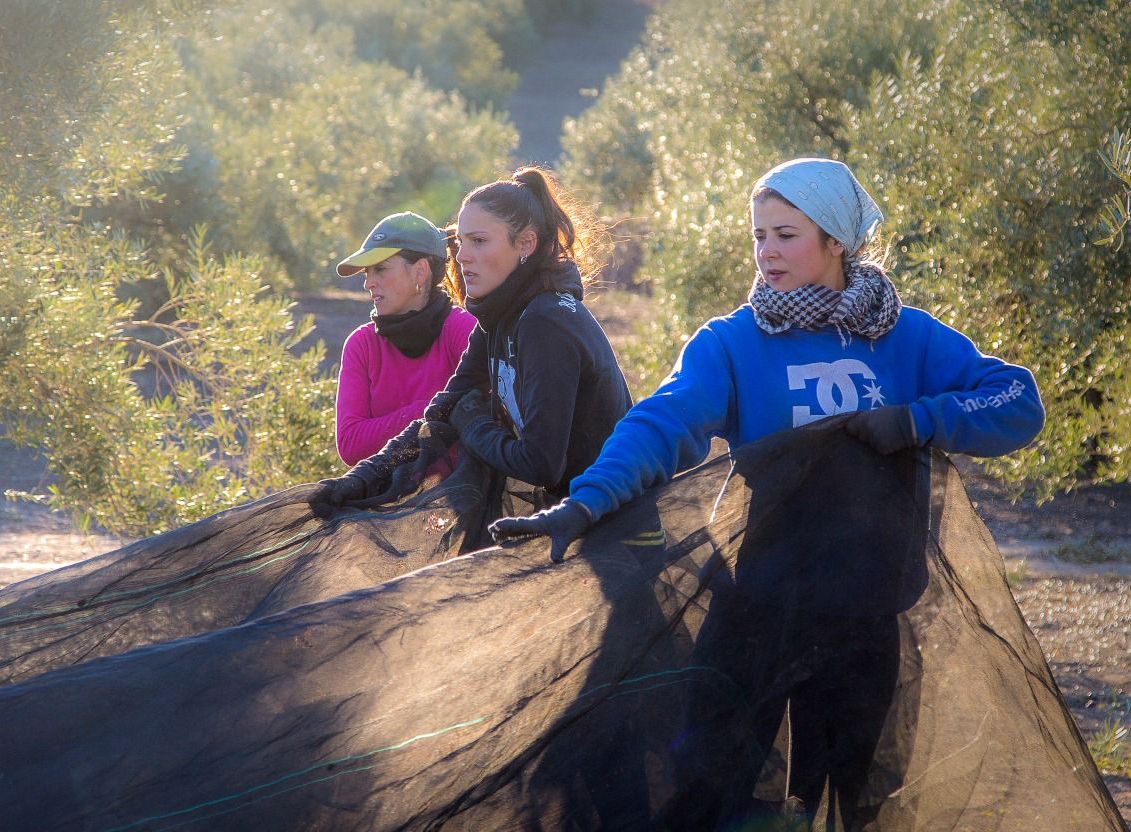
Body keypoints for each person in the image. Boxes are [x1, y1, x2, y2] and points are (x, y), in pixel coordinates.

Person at [490, 157, 1046, 826]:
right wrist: (585, 503)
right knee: (709, 791)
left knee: (852, 808)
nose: (768, 253)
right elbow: (660, 424)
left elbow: (1017, 401)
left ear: (835, 240)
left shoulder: (905, 336)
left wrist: (916, 420)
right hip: (759, 613)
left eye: (786, 234)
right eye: (759, 236)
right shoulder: (733, 343)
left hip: (866, 618)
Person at [317, 167, 632, 510]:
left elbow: (539, 464)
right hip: (576, 510)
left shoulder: (547, 321)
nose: (463, 255)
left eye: (479, 241)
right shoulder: (499, 319)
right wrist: (364, 477)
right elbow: (441, 413)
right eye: (460, 242)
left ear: (525, 243)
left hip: (617, 519)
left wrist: (472, 424)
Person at [332, 211, 475, 466]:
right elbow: (351, 444)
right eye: (367, 272)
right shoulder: (362, 345)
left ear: (420, 272)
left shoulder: (462, 330)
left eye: (380, 269)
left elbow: (485, 415)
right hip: (385, 501)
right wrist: (438, 408)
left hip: (462, 498)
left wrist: (389, 427)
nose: (368, 283)